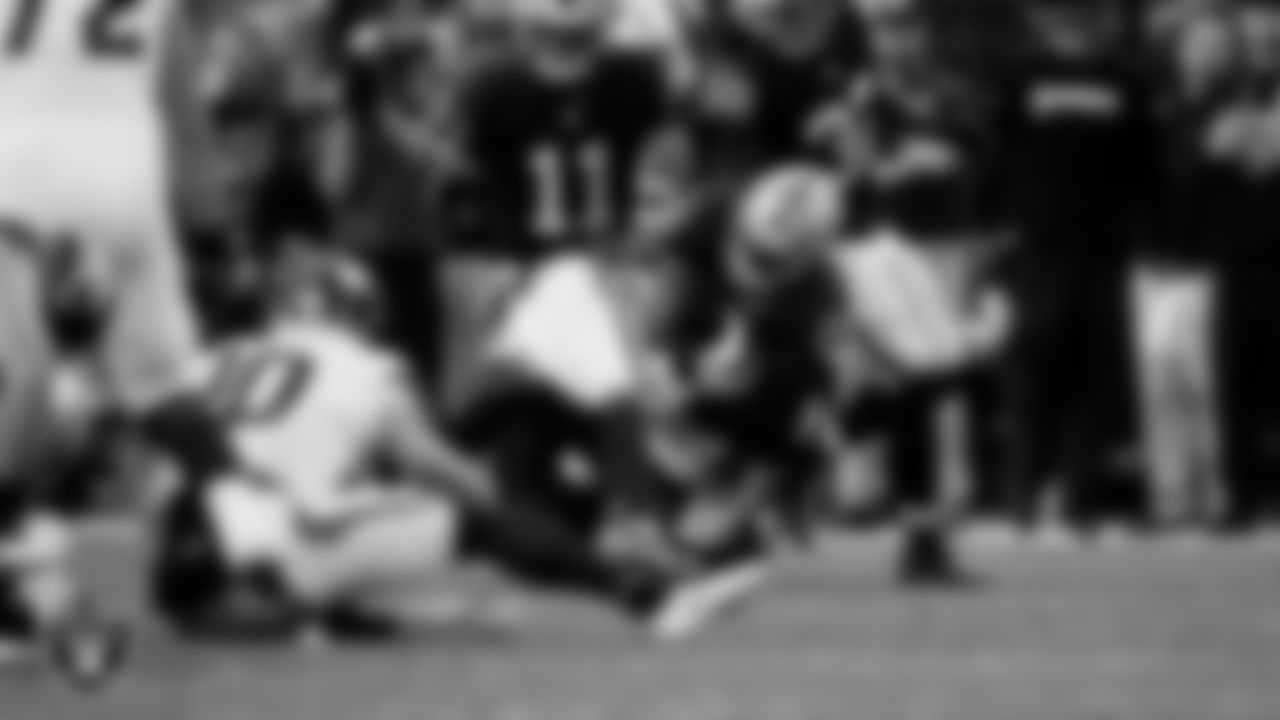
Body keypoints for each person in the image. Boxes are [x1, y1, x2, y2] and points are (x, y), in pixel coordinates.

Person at [142, 248, 760, 643]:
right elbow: (441, 471)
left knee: (327, 507)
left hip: (176, 569)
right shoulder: (368, 368)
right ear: (351, 314)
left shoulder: (215, 358)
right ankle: (651, 600)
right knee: (470, 520)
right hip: (269, 561)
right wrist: (531, 528)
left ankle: (323, 609)